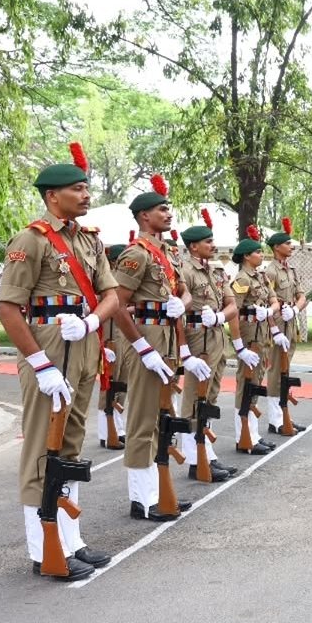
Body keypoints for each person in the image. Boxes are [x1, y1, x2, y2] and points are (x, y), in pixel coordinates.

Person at [0, 145, 120, 580]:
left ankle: (70, 540)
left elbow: (111, 295)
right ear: (53, 196)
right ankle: (43, 549)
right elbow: (8, 309)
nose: (86, 195)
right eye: (77, 189)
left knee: (69, 448)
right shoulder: (30, 240)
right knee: (41, 451)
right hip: (48, 350)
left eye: (86, 188)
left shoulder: (89, 240)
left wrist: (91, 322)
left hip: (82, 345)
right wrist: (40, 363)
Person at [112, 175, 210, 521]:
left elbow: (183, 291)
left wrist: (183, 304)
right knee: (142, 418)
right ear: (144, 216)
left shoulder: (167, 253)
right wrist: (142, 347)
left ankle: (156, 490)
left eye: (168, 209)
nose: (169, 214)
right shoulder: (136, 255)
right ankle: (142, 499)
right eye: (161, 209)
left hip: (166, 336)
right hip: (147, 336)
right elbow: (117, 304)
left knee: (159, 416)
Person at [178, 210, 254, 482]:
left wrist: (220, 317)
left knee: (209, 399)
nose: (213, 245)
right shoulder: (184, 271)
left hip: (216, 338)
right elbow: (177, 312)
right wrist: (184, 351)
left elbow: (232, 304)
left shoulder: (217, 271)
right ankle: (194, 460)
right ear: (193, 246)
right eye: (207, 241)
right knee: (193, 401)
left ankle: (206, 454)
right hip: (197, 338)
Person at [230, 226, 281, 455]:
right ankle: (243, 436)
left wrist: (269, 312)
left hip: (262, 335)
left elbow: (275, 301)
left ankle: (253, 433)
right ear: (246, 256)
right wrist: (239, 345)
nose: (261, 255)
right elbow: (233, 311)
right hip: (249, 336)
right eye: (257, 252)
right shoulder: (242, 279)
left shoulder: (262, 277)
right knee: (246, 384)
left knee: (256, 381)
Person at [265, 218, 307, 435]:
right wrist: (273, 328)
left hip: (290, 319)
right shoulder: (270, 271)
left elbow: (302, 296)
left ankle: (284, 415)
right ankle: (275, 419)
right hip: (278, 321)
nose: (291, 246)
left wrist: (296, 310)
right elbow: (266, 303)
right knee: (275, 370)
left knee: (286, 368)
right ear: (276, 247)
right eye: (287, 243)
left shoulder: (291, 270)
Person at [98, 244, 129, 450]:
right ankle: (105, 432)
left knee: (121, 385)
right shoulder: (107, 281)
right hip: (110, 337)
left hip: (123, 337)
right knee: (108, 386)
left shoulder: (121, 280)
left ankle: (117, 428)